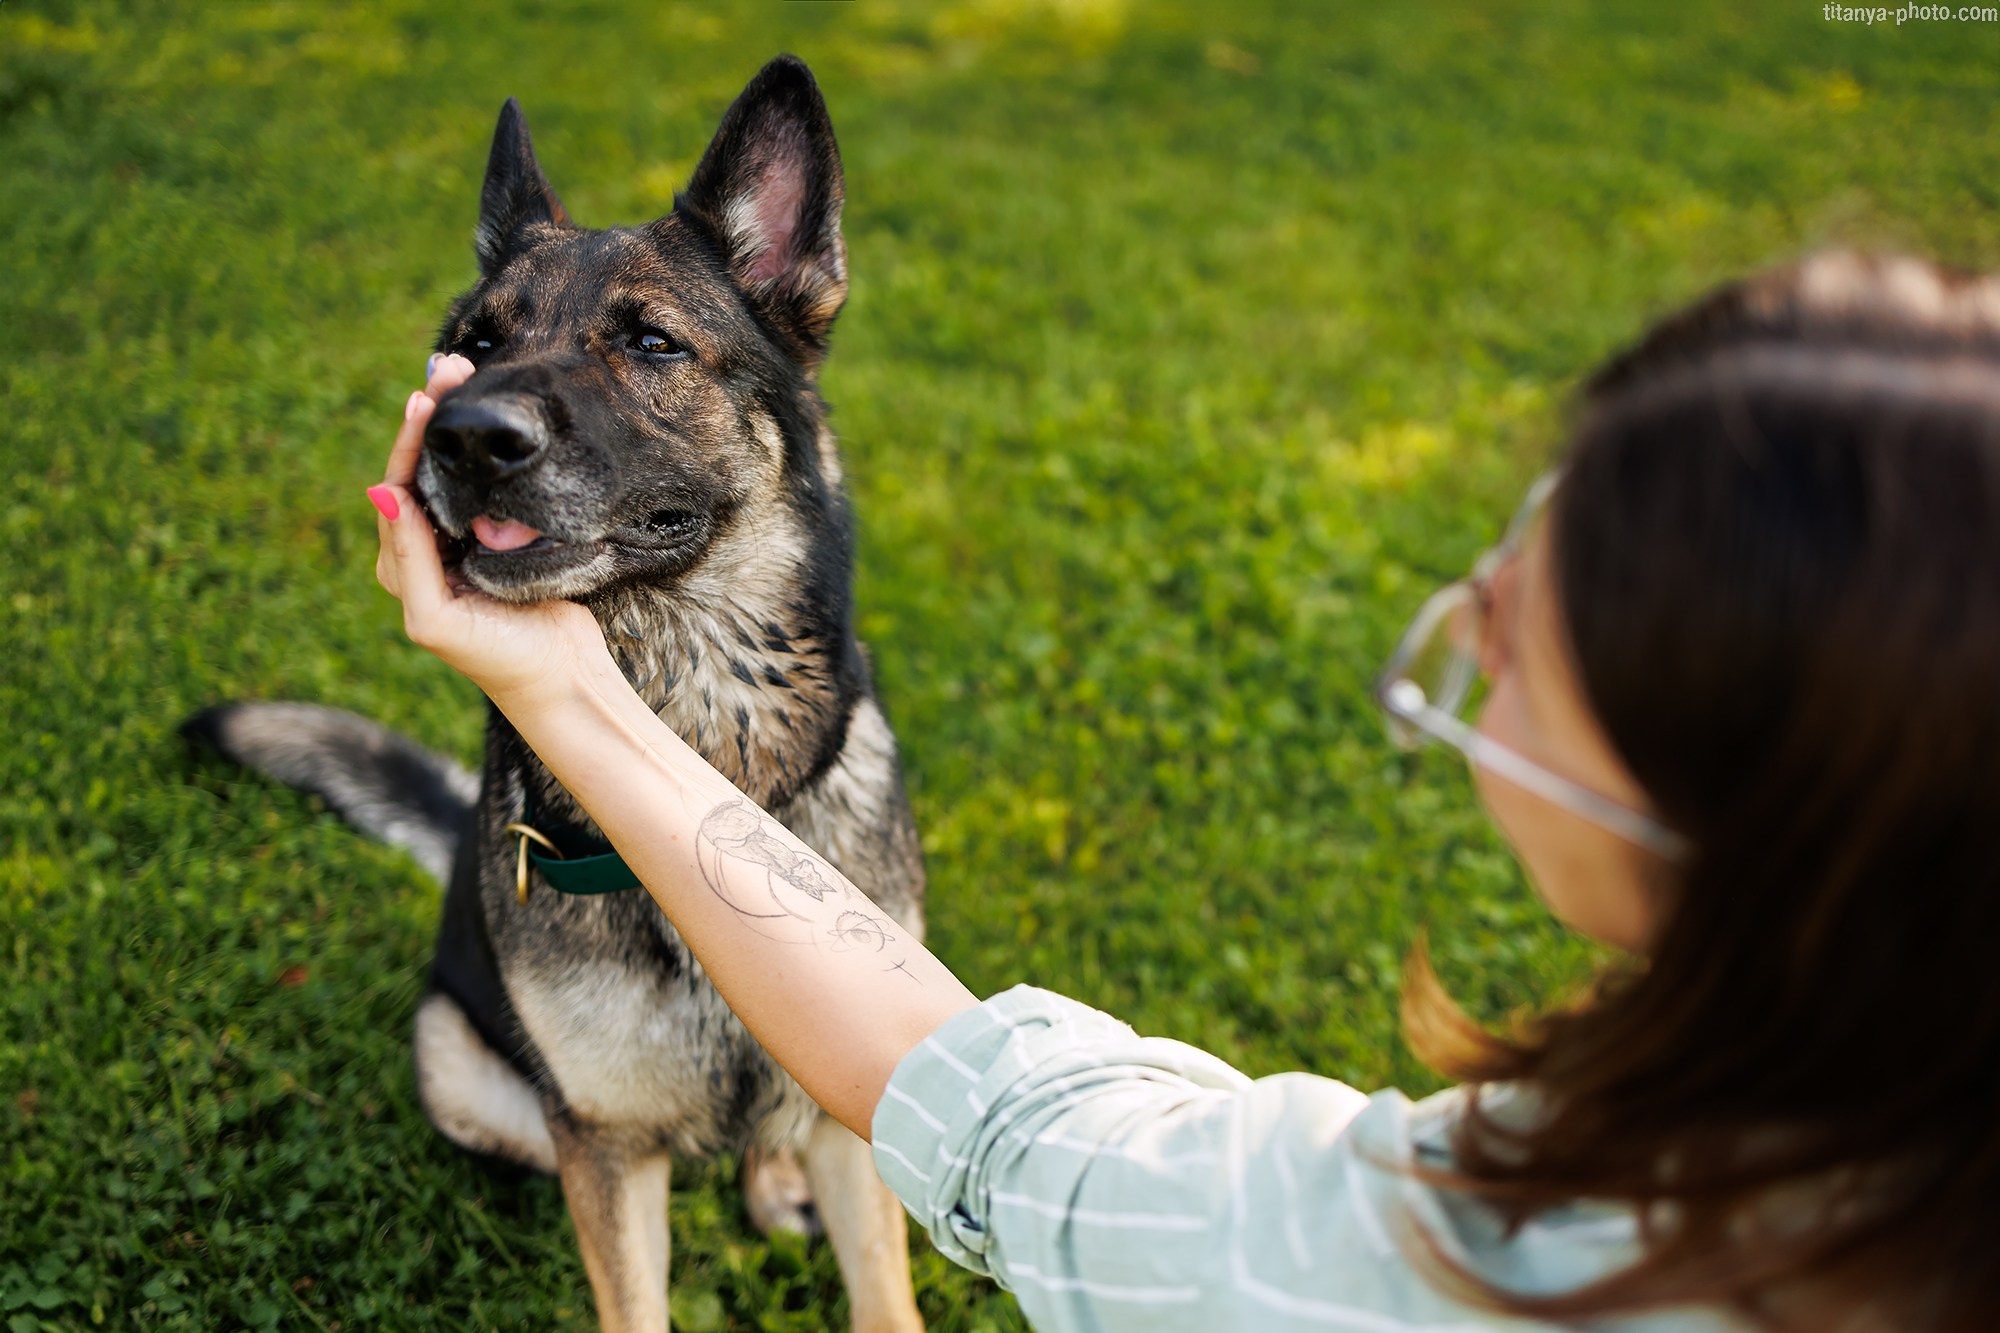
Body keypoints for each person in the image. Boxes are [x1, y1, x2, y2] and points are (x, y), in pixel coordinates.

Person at [365, 251, 2000, 1331]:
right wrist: (567, 695)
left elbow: (1024, 1138)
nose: (1474, 605)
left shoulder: (1472, 1255)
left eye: (1521, 616)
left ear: (1731, 811)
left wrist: (559, 696)